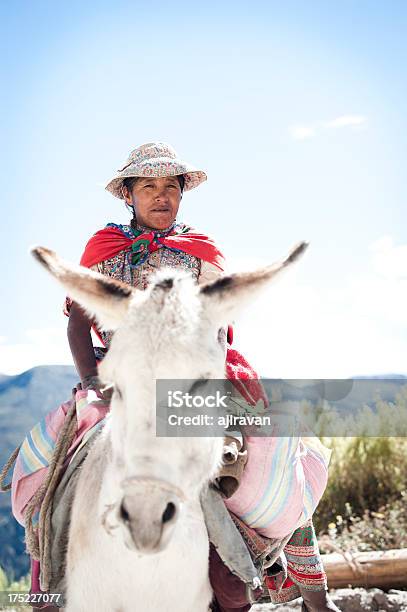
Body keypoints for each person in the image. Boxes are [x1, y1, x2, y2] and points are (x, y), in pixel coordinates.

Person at [11, 142, 339, 611]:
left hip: (195, 375)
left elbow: (219, 325)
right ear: (129, 194)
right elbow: (78, 320)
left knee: (264, 452)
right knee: (59, 465)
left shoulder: (201, 251)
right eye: (148, 186)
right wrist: (92, 380)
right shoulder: (105, 249)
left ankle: (298, 589)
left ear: (182, 194)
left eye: (171, 187)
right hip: (123, 375)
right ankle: (51, 585)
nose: (161, 196)